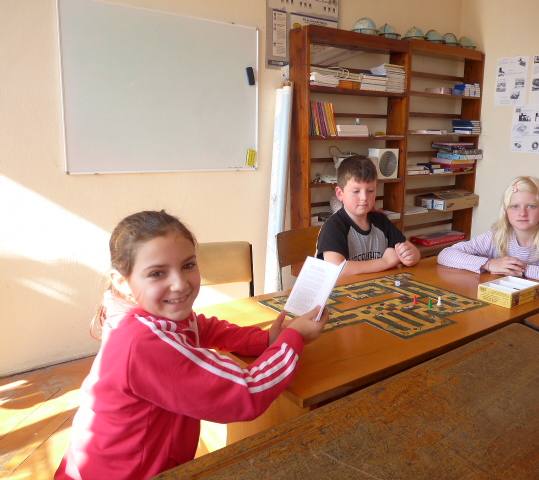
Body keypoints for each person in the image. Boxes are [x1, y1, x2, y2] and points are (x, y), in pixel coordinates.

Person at [55, 210, 328, 480]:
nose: (180, 284)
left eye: (188, 266)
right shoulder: (143, 341)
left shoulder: (150, 315)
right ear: (122, 282)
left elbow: (203, 328)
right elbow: (246, 393)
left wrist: (265, 340)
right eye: (157, 273)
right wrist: (294, 338)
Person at [437, 176, 539, 289]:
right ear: (506, 211)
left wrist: (523, 270)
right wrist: (489, 264)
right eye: (515, 206)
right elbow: (446, 255)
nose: (522, 213)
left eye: (531, 206)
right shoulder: (497, 235)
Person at [316, 155, 420, 276]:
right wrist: (385, 262)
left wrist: (410, 256)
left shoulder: (381, 220)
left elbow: (415, 253)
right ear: (340, 194)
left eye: (370, 190)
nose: (364, 197)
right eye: (356, 191)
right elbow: (337, 269)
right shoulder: (333, 226)